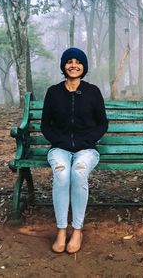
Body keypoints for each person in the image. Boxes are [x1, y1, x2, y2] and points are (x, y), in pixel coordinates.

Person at [41, 47, 108, 254]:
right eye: (69, 61)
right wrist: (59, 140)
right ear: (63, 66)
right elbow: (45, 125)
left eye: (78, 61)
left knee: (78, 174)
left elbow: (102, 123)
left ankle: (77, 230)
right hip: (59, 149)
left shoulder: (92, 92)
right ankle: (61, 230)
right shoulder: (53, 92)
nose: (73, 65)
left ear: (83, 66)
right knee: (61, 175)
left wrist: (86, 140)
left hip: (86, 150)